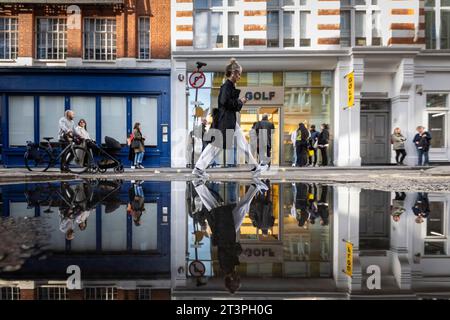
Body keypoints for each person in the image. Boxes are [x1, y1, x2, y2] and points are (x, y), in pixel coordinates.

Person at [193, 58, 268, 179]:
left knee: (242, 144)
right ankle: (198, 168)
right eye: (239, 73)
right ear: (233, 72)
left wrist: (239, 102)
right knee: (216, 146)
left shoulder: (229, 86)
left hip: (229, 121)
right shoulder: (226, 86)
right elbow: (225, 102)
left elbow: (228, 103)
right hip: (226, 121)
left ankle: (255, 168)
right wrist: (241, 101)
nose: (240, 76)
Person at [193, 178, 267, 294]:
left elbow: (225, 250)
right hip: (227, 232)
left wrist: (239, 252)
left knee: (219, 208)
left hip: (225, 232)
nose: (238, 278)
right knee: (231, 208)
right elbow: (228, 249)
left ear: (231, 279)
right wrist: (238, 251)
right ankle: (255, 186)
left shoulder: (226, 267)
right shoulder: (229, 268)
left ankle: (197, 184)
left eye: (237, 280)